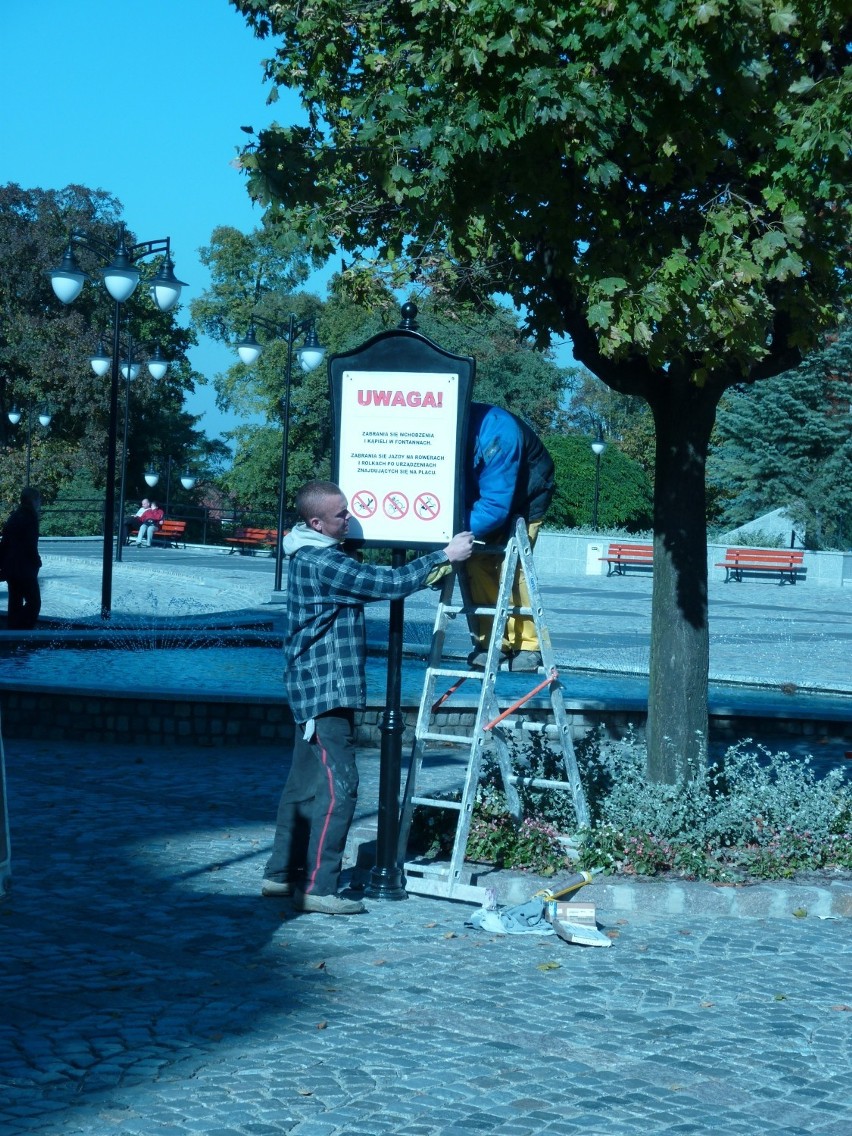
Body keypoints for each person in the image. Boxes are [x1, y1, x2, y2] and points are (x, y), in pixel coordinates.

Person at [262, 479, 475, 915]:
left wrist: (432, 569)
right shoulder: (322, 562)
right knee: (342, 789)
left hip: (313, 688)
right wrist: (444, 556)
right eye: (341, 514)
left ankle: (280, 875)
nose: (350, 517)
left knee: (303, 785)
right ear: (315, 522)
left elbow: (375, 579)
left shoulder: (313, 553)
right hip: (325, 691)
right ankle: (320, 889)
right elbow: (386, 582)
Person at [463, 402, 556, 671]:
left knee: (514, 567)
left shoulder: (496, 432)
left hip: (528, 496)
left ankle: (529, 644)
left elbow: (494, 508)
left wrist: (451, 533)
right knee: (475, 563)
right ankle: (493, 641)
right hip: (485, 498)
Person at [0, 486, 43, 630]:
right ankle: (23, 631)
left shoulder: (15, 516)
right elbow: (30, 544)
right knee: (34, 602)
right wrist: (37, 561)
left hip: (11, 568)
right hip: (24, 568)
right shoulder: (29, 517)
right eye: (38, 500)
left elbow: (4, 543)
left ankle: (13, 633)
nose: (39, 503)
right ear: (33, 500)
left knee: (15, 602)